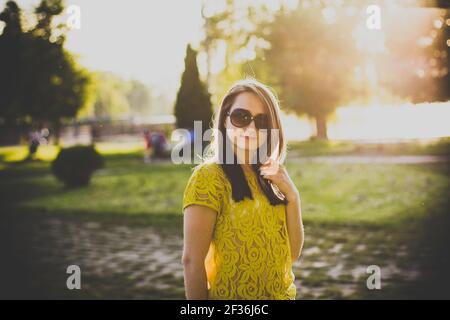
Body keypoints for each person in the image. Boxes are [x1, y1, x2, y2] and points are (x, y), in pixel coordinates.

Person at [182, 78, 304, 300]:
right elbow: (191, 261)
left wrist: (293, 197)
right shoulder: (208, 178)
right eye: (241, 117)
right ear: (226, 120)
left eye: (262, 121)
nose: (251, 128)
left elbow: (291, 254)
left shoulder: (271, 178)